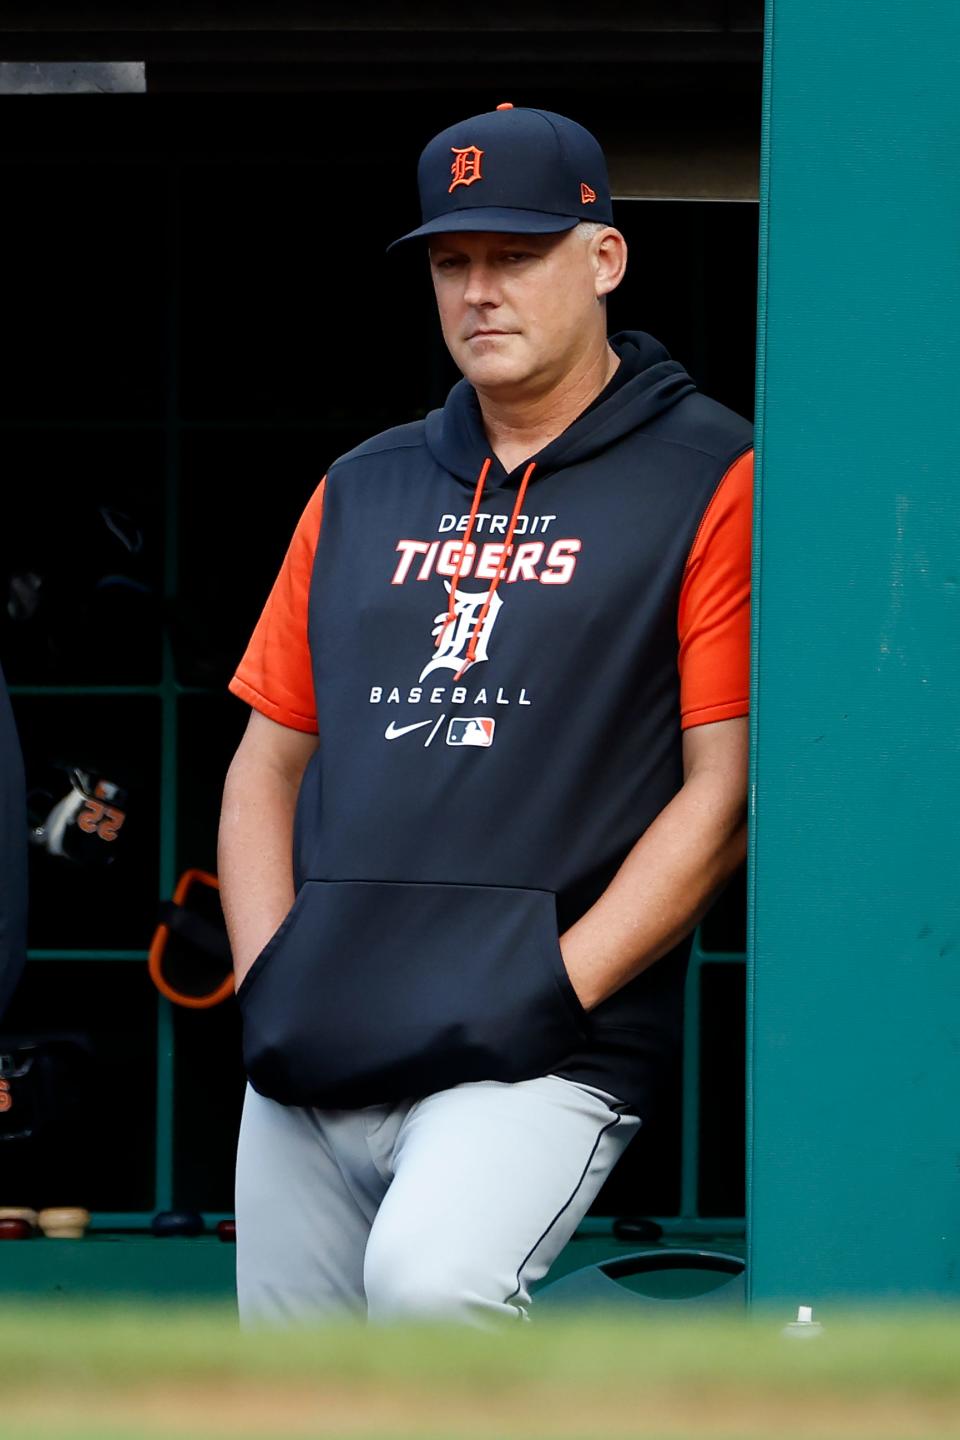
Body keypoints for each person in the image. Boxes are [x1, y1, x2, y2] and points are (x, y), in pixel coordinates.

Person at [219, 103, 751, 1328]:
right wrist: (270, 977)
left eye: (515, 255)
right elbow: (265, 765)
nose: (479, 292)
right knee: (291, 1405)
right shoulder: (363, 485)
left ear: (603, 257)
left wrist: (557, 991)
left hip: (538, 1045)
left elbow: (723, 794)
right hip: (318, 1043)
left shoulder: (714, 473)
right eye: (453, 262)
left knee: (435, 1292)